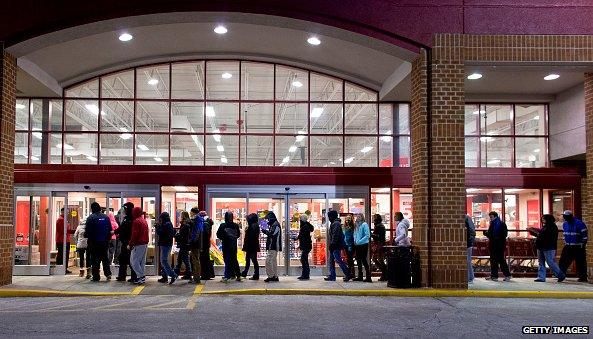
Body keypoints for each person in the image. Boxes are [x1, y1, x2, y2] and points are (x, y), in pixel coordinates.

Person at [529, 214, 565, 283]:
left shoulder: (552, 227)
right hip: (541, 247)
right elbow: (541, 234)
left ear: (548, 219)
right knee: (541, 262)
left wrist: (536, 233)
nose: (542, 220)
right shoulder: (545, 226)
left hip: (549, 247)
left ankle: (560, 275)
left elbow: (545, 236)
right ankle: (541, 277)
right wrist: (535, 232)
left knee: (550, 262)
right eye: (542, 218)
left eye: (544, 219)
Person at [84, 202, 112, 282]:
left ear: (92, 209)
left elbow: (88, 231)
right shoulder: (106, 217)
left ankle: (96, 277)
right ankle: (108, 274)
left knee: (95, 259)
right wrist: (108, 239)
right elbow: (109, 230)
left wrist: (86, 235)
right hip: (104, 242)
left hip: (94, 242)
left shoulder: (91, 218)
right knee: (105, 258)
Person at [559, 210, 588, 282]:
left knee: (580, 262)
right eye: (564, 216)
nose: (564, 217)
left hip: (578, 246)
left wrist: (583, 244)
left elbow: (585, 235)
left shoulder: (579, 223)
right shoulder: (565, 224)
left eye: (565, 216)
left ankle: (583, 277)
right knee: (563, 261)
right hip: (568, 246)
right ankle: (561, 276)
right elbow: (565, 234)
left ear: (570, 216)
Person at [484, 211, 511, 282]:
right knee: (495, 261)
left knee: (499, 260)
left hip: (497, 245)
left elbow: (497, 235)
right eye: (490, 217)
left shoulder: (498, 224)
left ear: (495, 216)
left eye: (491, 217)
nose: (490, 219)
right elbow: (502, 235)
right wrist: (488, 234)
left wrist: (488, 234)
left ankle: (505, 275)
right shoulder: (498, 224)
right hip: (497, 245)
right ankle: (495, 276)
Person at [325, 210, 352, 282]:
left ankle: (348, 273)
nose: (328, 218)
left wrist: (333, 244)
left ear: (332, 216)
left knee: (338, 260)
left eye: (329, 216)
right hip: (334, 245)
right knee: (331, 260)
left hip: (336, 245)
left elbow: (335, 235)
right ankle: (332, 276)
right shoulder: (334, 223)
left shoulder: (336, 223)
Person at [114, 202, 136, 282]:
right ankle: (122, 276)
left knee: (130, 260)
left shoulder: (131, 218)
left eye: (125, 209)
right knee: (123, 259)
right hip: (125, 242)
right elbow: (122, 228)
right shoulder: (128, 218)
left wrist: (115, 232)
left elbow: (123, 228)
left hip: (128, 243)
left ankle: (133, 276)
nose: (124, 210)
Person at [217, 211, 242, 282]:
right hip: (233, 245)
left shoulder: (223, 225)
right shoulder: (236, 225)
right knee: (234, 260)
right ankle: (237, 275)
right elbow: (238, 235)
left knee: (227, 260)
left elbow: (218, 234)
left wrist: (224, 238)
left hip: (226, 245)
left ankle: (227, 276)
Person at [129, 206, 149, 284]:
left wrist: (130, 244)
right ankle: (141, 277)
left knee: (133, 261)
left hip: (138, 244)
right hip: (144, 243)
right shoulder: (144, 221)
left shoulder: (136, 221)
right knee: (141, 262)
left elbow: (134, 234)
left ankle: (141, 276)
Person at [156, 212, 177, 284]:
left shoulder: (166, 224)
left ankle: (173, 275)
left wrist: (157, 227)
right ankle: (164, 276)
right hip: (167, 244)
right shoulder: (169, 224)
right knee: (164, 260)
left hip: (165, 244)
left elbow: (160, 233)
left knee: (164, 261)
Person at [262, 211, 282, 282]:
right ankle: (275, 276)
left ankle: (271, 276)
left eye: (268, 219)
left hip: (273, 246)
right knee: (273, 262)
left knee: (268, 261)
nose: (268, 220)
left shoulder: (275, 225)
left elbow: (273, 234)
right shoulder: (274, 224)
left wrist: (266, 232)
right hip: (272, 246)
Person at [241, 213, 260, 280]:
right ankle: (246, 272)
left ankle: (255, 274)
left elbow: (251, 237)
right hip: (252, 245)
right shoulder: (254, 225)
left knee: (253, 260)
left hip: (251, 245)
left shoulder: (253, 226)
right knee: (250, 259)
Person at [55, 208, 75, 274]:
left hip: (64, 240)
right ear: (63, 212)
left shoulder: (63, 220)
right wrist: (73, 231)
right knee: (62, 255)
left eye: (68, 212)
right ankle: (61, 269)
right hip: (62, 240)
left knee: (64, 255)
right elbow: (62, 231)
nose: (68, 213)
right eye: (67, 212)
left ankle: (63, 268)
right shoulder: (61, 220)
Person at [174, 211, 193, 280]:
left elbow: (183, 235)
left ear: (183, 216)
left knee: (185, 260)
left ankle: (188, 275)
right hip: (185, 244)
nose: (179, 217)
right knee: (180, 259)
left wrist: (176, 235)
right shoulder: (187, 224)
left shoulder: (185, 225)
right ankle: (176, 274)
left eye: (181, 216)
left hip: (184, 244)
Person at [353, 214, 372, 282]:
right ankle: (360, 276)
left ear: (362, 217)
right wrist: (355, 240)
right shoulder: (357, 225)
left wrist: (360, 241)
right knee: (358, 260)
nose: (358, 218)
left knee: (363, 260)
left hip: (363, 244)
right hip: (357, 245)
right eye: (357, 217)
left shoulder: (364, 224)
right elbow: (355, 234)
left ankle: (368, 277)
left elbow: (368, 235)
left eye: (359, 217)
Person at [188, 208, 204, 284]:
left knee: (196, 260)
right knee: (195, 260)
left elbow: (197, 232)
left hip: (195, 243)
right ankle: (195, 278)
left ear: (193, 213)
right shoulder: (198, 220)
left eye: (191, 212)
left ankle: (197, 278)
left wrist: (193, 240)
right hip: (195, 242)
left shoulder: (198, 220)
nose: (190, 214)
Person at [296, 214, 314, 280]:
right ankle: (305, 274)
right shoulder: (306, 225)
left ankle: (305, 275)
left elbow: (303, 237)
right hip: (307, 245)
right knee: (304, 260)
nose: (299, 220)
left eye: (300, 219)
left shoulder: (304, 226)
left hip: (306, 246)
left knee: (304, 260)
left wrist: (298, 240)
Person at [371, 214, 387, 281]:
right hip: (380, 244)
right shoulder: (379, 225)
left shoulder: (379, 226)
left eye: (374, 218)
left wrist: (372, 234)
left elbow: (379, 236)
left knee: (379, 260)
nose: (373, 219)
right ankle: (385, 273)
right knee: (376, 259)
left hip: (379, 245)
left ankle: (385, 273)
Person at [200, 216, 215, 280]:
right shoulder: (208, 224)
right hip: (206, 245)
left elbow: (204, 235)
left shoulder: (205, 225)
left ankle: (205, 275)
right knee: (206, 259)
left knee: (204, 260)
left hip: (204, 245)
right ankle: (208, 274)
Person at [465, 215, 476, 284]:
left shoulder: (465, 219)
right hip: (469, 243)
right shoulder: (468, 218)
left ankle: (470, 278)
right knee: (468, 260)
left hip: (467, 243)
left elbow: (468, 233)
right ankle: (471, 277)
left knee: (467, 260)